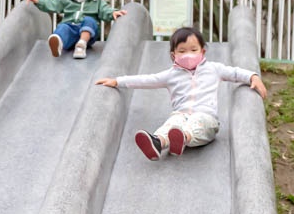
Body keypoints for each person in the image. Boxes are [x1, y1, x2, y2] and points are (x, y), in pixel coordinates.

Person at [96, 26, 268, 161]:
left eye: (193, 50)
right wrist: (118, 81)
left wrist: (253, 76)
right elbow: (146, 80)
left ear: (203, 52)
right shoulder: (171, 75)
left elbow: (235, 73)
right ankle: (159, 142)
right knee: (172, 122)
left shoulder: (214, 69)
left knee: (197, 123)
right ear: (174, 55)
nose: (188, 54)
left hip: (206, 118)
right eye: (182, 51)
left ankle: (183, 138)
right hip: (181, 115)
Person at [27, 0, 126, 59]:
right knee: (63, 27)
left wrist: (113, 13)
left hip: (89, 34)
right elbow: (53, 4)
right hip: (71, 29)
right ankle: (58, 42)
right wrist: (39, 1)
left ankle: (81, 45)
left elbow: (105, 9)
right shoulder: (66, 0)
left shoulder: (97, 2)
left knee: (89, 21)